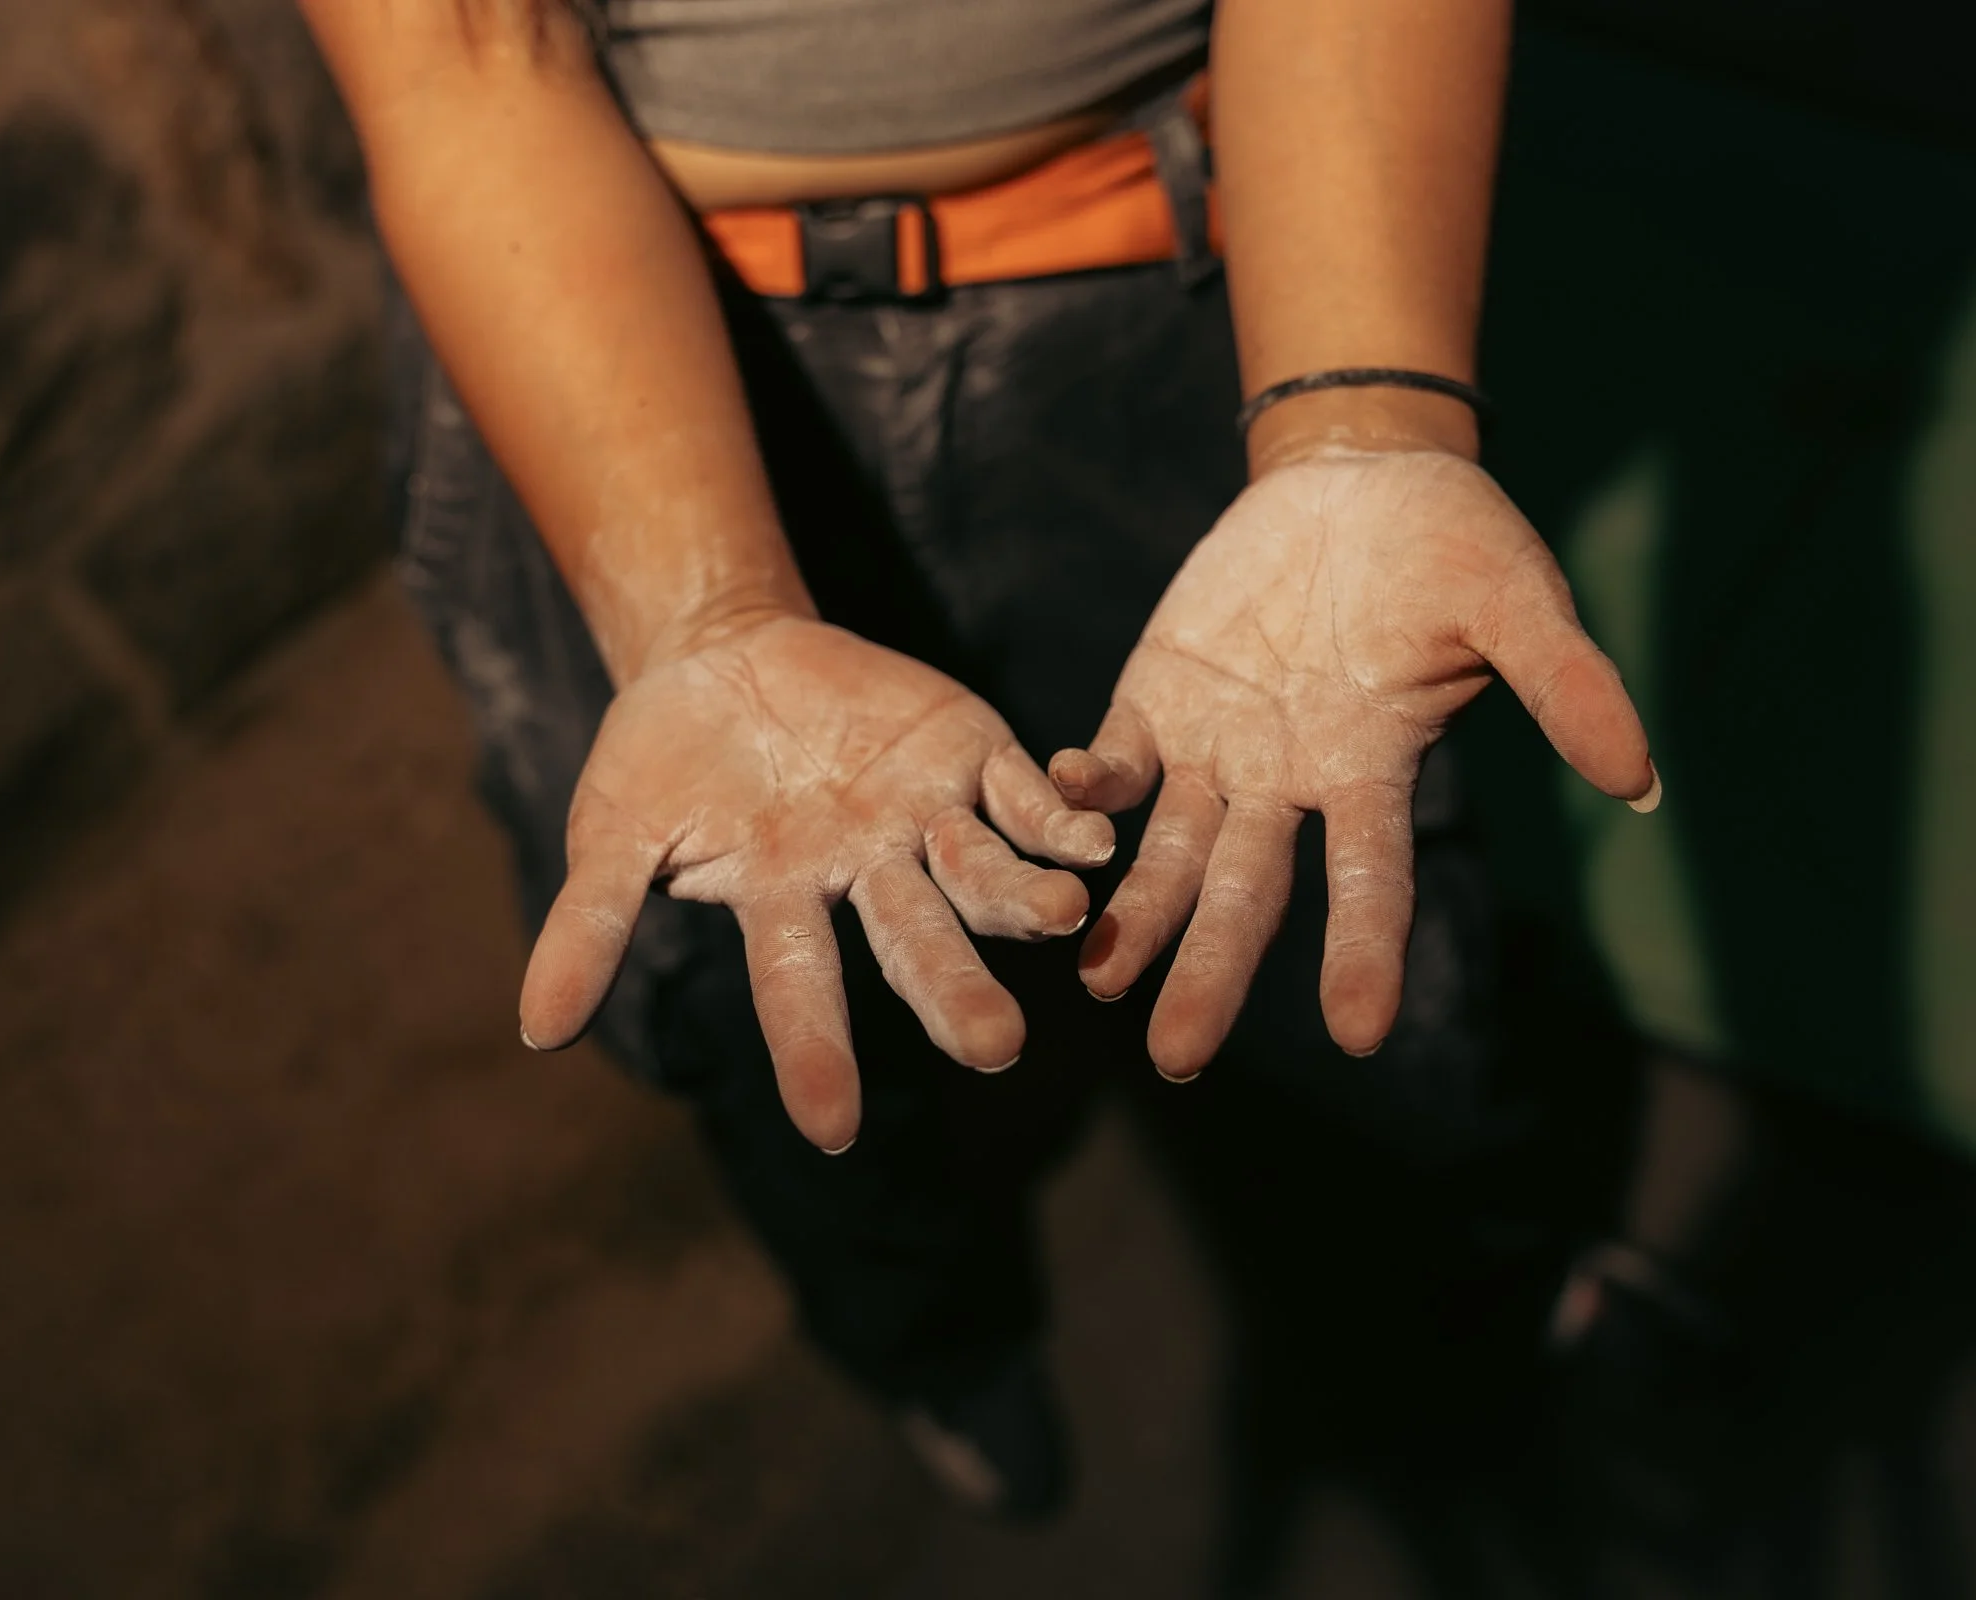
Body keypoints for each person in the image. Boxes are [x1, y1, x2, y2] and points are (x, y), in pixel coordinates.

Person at [299, 0, 1659, 1519]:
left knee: (1316, 871)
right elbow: (470, 55)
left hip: (1190, 266)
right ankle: (935, 1343)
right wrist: (704, 603)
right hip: (603, 338)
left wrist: (1361, 420)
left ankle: (1474, 1309)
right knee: (752, 970)